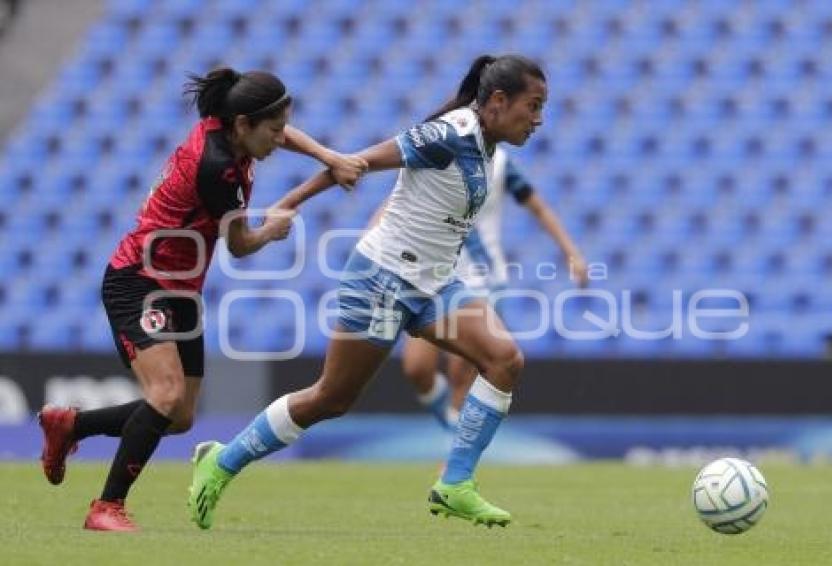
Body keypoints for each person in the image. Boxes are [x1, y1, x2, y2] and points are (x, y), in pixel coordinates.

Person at [188, 54, 547, 529]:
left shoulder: (485, 146)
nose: (538, 119)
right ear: (498, 101)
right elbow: (354, 164)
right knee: (331, 399)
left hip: (434, 281)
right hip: (383, 278)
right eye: (534, 105)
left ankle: (455, 485)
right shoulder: (450, 133)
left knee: (504, 359)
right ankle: (222, 460)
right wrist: (289, 202)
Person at [36, 67, 367, 532]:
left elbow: (281, 130)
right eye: (272, 132)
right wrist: (274, 228)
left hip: (180, 290)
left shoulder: (230, 126)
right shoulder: (218, 168)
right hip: (139, 279)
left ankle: (72, 425)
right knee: (166, 395)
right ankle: (105, 507)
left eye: (280, 128)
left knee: (181, 417)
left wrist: (327, 155)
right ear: (243, 127)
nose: (278, 140)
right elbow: (240, 244)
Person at [403, 146, 589, 430]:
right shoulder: (435, 153)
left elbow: (537, 206)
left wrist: (570, 251)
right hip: (434, 275)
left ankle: (455, 455)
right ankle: (455, 428)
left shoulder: (499, 162)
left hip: (482, 280)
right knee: (416, 368)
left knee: (461, 371)